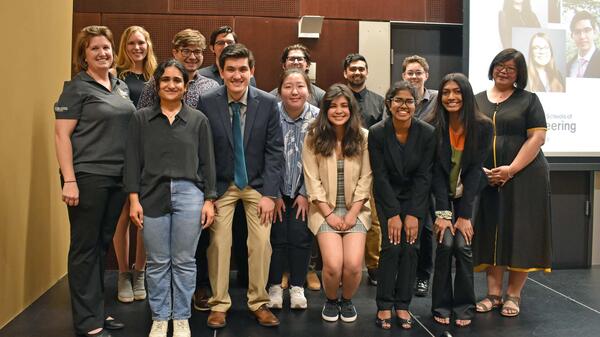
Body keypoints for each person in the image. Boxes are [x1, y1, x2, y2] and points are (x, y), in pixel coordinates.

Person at [124, 59, 216, 337]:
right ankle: (161, 316)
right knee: (157, 261)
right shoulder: (141, 119)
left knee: (185, 261)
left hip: (190, 195)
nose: (171, 85)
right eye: (166, 80)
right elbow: (131, 161)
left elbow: (208, 163)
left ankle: (181, 316)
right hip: (151, 194)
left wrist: (209, 200)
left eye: (178, 80)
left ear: (186, 86)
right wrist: (133, 199)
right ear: (157, 83)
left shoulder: (198, 120)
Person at [54, 25, 135, 337]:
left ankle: (98, 311)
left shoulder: (120, 86)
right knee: (85, 248)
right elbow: (62, 136)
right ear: (83, 55)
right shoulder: (76, 88)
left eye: (107, 47)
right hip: (88, 177)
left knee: (102, 247)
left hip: (117, 178)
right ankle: (87, 321)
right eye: (95, 49)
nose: (103, 53)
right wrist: (69, 180)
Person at [197, 44, 284, 328]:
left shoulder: (268, 103)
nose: (237, 75)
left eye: (243, 69)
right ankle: (219, 304)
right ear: (221, 72)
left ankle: (258, 302)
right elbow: (204, 152)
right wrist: (209, 196)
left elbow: (274, 151)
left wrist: (270, 194)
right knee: (219, 242)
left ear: (252, 71)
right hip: (222, 183)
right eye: (231, 69)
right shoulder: (208, 102)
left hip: (256, 183)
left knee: (260, 242)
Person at [473, 48, 551, 318]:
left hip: (525, 176)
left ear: (519, 74)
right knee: (493, 231)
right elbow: (470, 138)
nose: (503, 71)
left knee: (519, 233)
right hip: (488, 177)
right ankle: (493, 293)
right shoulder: (476, 100)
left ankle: (513, 295)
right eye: (499, 65)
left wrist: (511, 169)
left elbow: (537, 139)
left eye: (511, 68)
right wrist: (479, 168)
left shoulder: (529, 100)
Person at [425, 73, 493, 327]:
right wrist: (443, 214)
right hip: (441, 195)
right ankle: (440, 305)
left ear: (465, 94)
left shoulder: (483, 126)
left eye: (457, 92)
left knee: (463, 246)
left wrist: (463, 215)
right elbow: (436, 173)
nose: (451, 97)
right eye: (446, 92)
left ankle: (464, 305)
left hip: (468, 197)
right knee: (445, 245)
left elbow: (475, 170)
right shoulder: (431, 124)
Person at [302, 83, 372, 323]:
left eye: (344, 106)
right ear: (325, 109)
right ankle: (331, 301)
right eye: (333, 106)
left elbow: (366, 178)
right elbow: (312, 180)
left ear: (351, 109)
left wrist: (352, 214)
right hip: (324, 210)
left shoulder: (363, 137)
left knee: (352, 266)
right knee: (333, 265)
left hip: (357, 209)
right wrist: (329, 214)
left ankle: (347, 300)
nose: (339, 111)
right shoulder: (313, 137)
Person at [369, 81, 436, 330]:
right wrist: (394, 214)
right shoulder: (377, 132)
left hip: (416, 199)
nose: (403, 105)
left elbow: (424, 177)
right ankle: (384, 304)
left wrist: (414, 215)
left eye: (409, 101)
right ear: (389, 103)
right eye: (398, 100)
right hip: (387, 198)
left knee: (411, 248)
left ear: (416, 105)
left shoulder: (427, 133)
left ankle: (403, 305)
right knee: (391, 247)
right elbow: (380, 175)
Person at [112, 25, 158, 304]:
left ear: (148, 44)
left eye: (141, 42)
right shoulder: (115, 77)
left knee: (144, 219)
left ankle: (140, 272)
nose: (137, 48)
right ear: (124, 46)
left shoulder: (157, 77)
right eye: (131, 43)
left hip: (150, 154)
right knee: (123, 217)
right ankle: (122, 274)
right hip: (121, 152)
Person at [267, 68, 319, 310]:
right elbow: (263, 155)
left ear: (308, 91)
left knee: (300, 237)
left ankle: (297, 286)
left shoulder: (319, 119)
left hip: (305, 192)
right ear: (280, 91)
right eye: (288, 86)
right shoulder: (270, 114)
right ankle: (275, 287)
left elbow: (321, 160)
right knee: (276, 239)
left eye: (300, 86)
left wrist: (306, 193)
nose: (294, 91)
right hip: (274, 190)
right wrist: (273, 193)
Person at [342, 53, 383, 286]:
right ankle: (343, 265)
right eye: (353, 69)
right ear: (345, 73)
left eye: (361, 69)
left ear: (366, 72)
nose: (357, 72)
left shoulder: (379, 101)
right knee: (342, 215)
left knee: (374, 221)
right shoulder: (337, 99)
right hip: (339, 167)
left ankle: (374, 266)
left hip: (371, 168)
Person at [401, 55, 438, 298]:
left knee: (425, 229)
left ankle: (423, 276)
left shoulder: (437, 100)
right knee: (401, 228)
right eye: (410, 73)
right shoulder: (397, 97)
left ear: (426, 75)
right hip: (403, 175)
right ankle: (404, 274)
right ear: (403, 76)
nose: (414, 76)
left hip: (430, 174)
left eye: (418, 72)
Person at [137, 29, 219, 109]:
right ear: (175, 53)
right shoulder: (157, 82)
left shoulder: (211, 86)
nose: (192, 57)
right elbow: (142, 117)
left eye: (197, 52)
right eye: (186, 51)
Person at [567, 10, 600, 78]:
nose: (582, 36)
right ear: (572, 36)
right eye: (577, 32)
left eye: (587, 30)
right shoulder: (568, 67)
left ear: (595, 32)